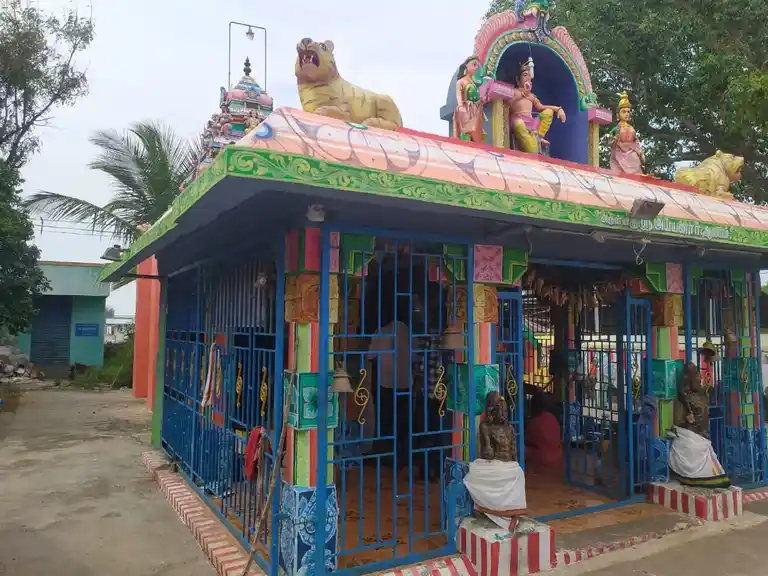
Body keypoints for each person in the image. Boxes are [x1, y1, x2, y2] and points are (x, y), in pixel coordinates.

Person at [668, 363, 731, 488]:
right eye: (696, 375)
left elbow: (683, 420)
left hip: (698, 436)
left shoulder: (696, 397)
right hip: (696, 436)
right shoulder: (692, 398)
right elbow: (682, 420)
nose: (699, 378)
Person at [525, 391, 563, 471]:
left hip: (542, 457)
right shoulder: (553, 418)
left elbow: (527, 438)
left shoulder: (534, 421)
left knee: (520, 446)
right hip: (558, 455)